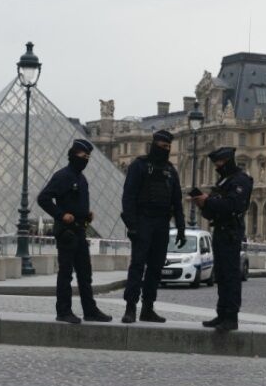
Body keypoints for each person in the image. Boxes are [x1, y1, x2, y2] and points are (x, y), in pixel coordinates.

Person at [36, 139, 112, 324]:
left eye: (88, 157)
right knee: (66, 273)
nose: (86, 159)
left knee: (85, 274)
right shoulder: (63, 176)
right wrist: (61, 215)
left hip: (80, 231)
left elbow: (76, 203)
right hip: (67, 233)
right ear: (73, 154)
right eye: (83, 156)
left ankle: (90, 310)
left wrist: (87, 215)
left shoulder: (81, 178)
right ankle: (63, 311)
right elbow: (43, 198)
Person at [120, 129, 186, 324]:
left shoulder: (170, 171)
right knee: (137, 266)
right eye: (163, 146)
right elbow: (128, 197)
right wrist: (132, 225)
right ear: (154, 144)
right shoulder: (139, 166)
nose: (165, 149)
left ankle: (148, 307)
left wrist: (181, 228)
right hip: (143, 221)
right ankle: (130, 307)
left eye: (168, 147)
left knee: (156, 268)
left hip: (162, 223)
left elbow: (177, 202)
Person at [191, 147, 253, 332]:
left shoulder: (241, 180)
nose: (217, 166)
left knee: (231, 275)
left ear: (227, 160)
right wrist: (203, 204)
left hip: (231, 231)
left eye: (219, 163)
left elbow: (233, 205)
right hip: (220, 230)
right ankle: (221, 313)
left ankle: (231, 317)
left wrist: (208, 201)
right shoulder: (224, 181)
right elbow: (212, 212)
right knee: (221, 274)